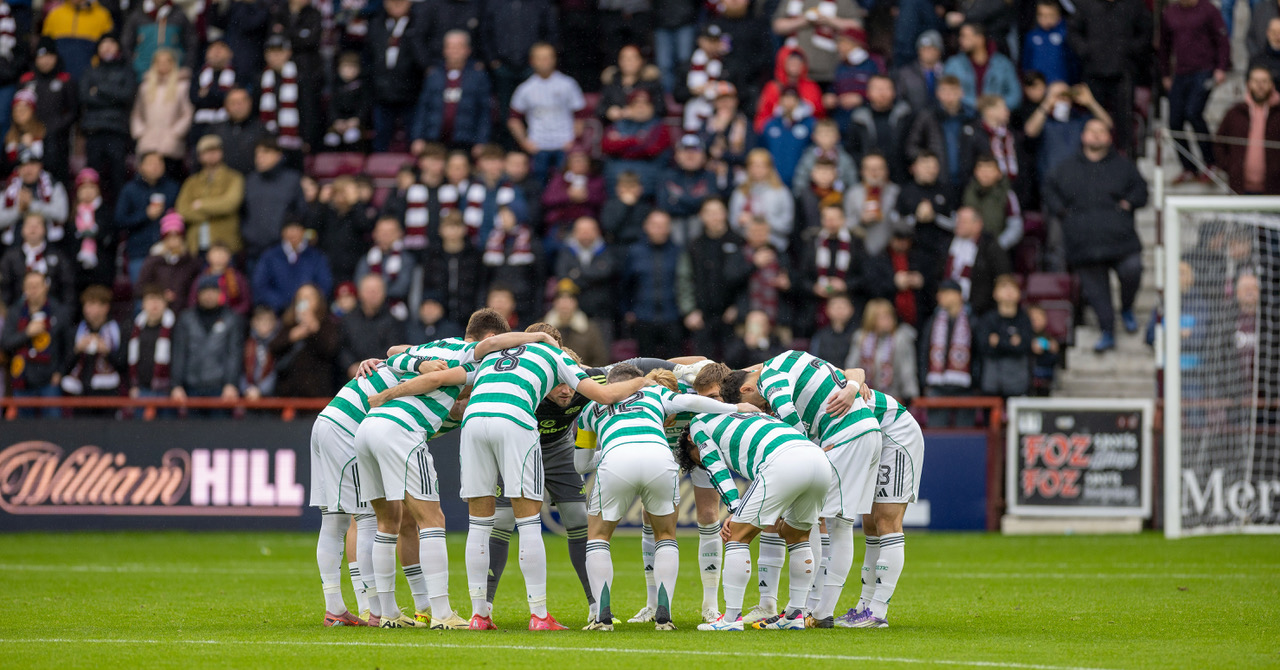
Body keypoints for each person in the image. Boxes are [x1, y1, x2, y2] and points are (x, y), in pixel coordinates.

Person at [575, 364, 748, 631]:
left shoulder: (590, 408)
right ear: (638, 381)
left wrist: (613, 447)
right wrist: (737, 408)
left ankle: (602, 617)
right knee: (666, 535)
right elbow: (690, 401)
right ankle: (664, 617)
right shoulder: (653, 391)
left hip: (616, 459)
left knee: (598, 536)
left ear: (610, 384)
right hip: (659, 456)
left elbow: (581, 464)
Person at [719, 352, 881, 628]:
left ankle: (808, 611)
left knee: (818, 522)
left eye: (754, 406)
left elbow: (788, 418)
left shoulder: (770, 378)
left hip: (846, 435)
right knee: (833, 522)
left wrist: (803, 452)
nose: (762, 410)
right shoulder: (789, 358)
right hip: (866, 430)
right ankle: (810, 610)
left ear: (746, 389)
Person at [679, 410, 830, 631]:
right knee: (797, 535)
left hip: (783, 459)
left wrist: (734, 509)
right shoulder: (744, 416)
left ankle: (731, 619)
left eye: (697, 457)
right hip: (818, 458)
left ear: (690, 440)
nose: (702, 462)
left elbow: (716, 468)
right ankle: (795, 615)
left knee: (736, 535)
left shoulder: (698, 424)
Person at [1044, 119, 1148, 352]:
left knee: (1133, 270)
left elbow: (1141, 191)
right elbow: (1049, 190)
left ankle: (1127, 308)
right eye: (1092, 131)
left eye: (1102, 131)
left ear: (1109, 138)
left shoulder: (1124, 166)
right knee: (1097, 293)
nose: (1097, 135)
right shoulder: (1065, 168)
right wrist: (1062, 213)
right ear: (1083, 136)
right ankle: (1107, 331)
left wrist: (1129, 203)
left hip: (1121, 241)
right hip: (1084, 244)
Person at [1160, 0, 1231, 184]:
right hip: (1180, 73)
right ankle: (1188, 167)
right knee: (1174, 121)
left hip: (1204, 70)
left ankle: (1211, 163)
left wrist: (1221, 67)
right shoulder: (1169, 12)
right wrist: (1165, 73)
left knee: (1193, 112)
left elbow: (1222, 40)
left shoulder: (1209, 9)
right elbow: (1164, 45)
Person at [1068, 0, 1150, 156]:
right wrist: (1086, 50)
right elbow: (1073, 31)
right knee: (1093, 118)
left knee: (1125, 120)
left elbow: (1146, 31)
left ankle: (1127, 158)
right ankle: (1093, 159)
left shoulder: (1133, 4)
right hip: (1093, 71)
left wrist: (1129, 51)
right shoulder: (1087, 4)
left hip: (1123, 72)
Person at [509, 43, 585, 184]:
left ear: (554, 59)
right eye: (540, 58)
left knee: (564, 184)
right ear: (532, 61)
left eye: (547, 57)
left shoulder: (568, 84)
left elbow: (580, 114)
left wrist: (574, 139)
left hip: (564, 144)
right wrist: (524, 142)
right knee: (538, 186)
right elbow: (514, 118)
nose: (544, 62)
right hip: (538, 145)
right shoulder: (525, 88)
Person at [684, 198, 750, 359]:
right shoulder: (695, 245)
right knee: (702, 365)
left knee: (733, 364)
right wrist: (690, 310)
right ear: (701, 216)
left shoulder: (739, 242)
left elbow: (748, 279)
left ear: (725, 214)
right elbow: (685, 279)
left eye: (718, 212)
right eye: (709, 212)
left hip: (731, 315)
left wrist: (738, 306)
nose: (714, 217)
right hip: (702, 315)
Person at [410, 30, 492, 153]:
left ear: (468, 50)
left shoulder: (478, 76)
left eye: (459, 47)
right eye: (451, 47)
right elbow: (423, 108)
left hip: (465, 141)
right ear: (444, 50)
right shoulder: (434, 75)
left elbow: (484, 112)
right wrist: (417, 137)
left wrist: (481, 141)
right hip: (434, 138)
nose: (455, 51)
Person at [2, 271, 71, 415]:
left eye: (37, 286)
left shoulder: (59, 311)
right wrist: (27, 333)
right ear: (23, 289)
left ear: (46, 287)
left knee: (53, 425)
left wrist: (60, 372)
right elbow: (6, 343)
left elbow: (68, 347)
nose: (33, 290)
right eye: (29, 286)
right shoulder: (15, 312)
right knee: (24, 426)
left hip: (49, 380)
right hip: (23, 379)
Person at [623, 210, 689, 359]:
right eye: (655, 225)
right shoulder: (635, 252)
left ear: (669, 228)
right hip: (643, 316)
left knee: (675, 362)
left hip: (673, 315)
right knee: (645, 363)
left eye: (663, 225)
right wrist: (628, 310)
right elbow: (626, 284)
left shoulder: (678, 251)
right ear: (646, 226)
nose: (659, 229)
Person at [79, 34, 136, 204]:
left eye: (111, 43)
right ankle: (90, 215)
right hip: (93, 131)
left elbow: (126, 96)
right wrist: (113, 95)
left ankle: (117, 216)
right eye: (103, 44)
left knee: (117, 177)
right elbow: (84, 97)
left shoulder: (126, 71)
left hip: (117, 131)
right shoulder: (90, 71)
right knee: (92, 178)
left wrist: (98, 90)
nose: (107, 47)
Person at [170, 274, 243, 405]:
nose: (209, 295)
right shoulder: (186, 319)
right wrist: (176, 384)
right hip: (191, 387)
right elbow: (179, 353)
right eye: (205, 291)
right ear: (198, 294)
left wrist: (231, 383)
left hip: (220, 388)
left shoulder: (231, 319)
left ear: (220, 294)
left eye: (213, 291)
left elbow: (234, 354)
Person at [365, 0, 426, 152]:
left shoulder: (419, 22)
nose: (396, 4)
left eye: (401, 1)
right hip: (382, 92)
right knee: (381, 137)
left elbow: (423, 58)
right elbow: (368, 56)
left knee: (413, 137)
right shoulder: (376, 23)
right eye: (392, 1)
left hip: (411, 91)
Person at [114, 151, 178, 283]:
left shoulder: (172, 187)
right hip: (139, 253)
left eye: (159, 163)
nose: (156, 167)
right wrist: (145, 215)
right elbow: (120, 221)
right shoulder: (129, 189)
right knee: (141, 292)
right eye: (151, 163)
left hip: (167, 253)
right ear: (140, 166)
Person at [918, 279, 976, 426]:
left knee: (965, 434)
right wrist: (925, 381)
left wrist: (975, 383)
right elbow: (924, 353)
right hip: (937, 386)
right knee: (937, 433)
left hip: (966, 388)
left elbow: (978, 354)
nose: (940, 297)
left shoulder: (972, 321)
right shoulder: (932, 322)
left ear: (958, 295)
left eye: (945, 293)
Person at [241, 136, 307, 264]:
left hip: (283, 250)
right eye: (257, 154)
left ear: (278, 155)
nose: (259, 157)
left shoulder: (292, 180)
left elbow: (300, 211)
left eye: (265, 152)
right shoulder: (250, 180)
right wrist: (247, 234)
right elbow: (243, 213)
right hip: (254, 250)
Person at [176, 135, 245, 254]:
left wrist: (201, 205)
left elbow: (230, 204)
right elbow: (182, 210)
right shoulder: (192, 182)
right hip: (196, 245)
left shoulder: (234, 178)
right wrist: (214, 213)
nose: (211, 155)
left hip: (225, 246)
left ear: (222, 152)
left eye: (215, 150)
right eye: (207, 152)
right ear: (200, 156)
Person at [1216, 66, 1280, 195]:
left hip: (1274, 191)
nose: (1260, 86)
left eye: (1264, 81)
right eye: (1256, 81)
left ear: (1271, 85)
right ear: (1248, 84)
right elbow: (1219, 143)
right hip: (1239, 189)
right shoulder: (1235, 113)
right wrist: (1231, 167)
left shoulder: (1278, 114)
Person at [21, 38, 77, 184]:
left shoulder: (65, 80)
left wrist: (56, 126)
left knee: (58, 178)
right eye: (41, 56)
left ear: (56, 57)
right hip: (31, 137)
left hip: (58, 139)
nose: (45, 61)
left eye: (49, 56)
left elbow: (73, 111)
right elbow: (18, 109)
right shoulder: (26, 81)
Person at [553, 216, 617, 342]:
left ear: (597, 232)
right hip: (574, 313)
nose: (585, 234)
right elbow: (563, 275)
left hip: (602, 312)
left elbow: (606, 273)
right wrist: (594, 277)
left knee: (602, 351)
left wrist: (577, 274)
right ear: (574, 232)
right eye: (582, 231)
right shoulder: (566, 251)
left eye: (589, 230)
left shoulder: (608, 250)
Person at [270, 283, 339, 397]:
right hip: (289, 391)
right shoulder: (289, 323)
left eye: (309, 297)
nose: (305, 301)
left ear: (318, 301)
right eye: (301, 297)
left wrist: (315, 329)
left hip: (317, 391)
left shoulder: (327, 324)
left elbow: (331, 350)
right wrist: (292, 336)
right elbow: (273, 348)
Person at [480, 200, 543, 323]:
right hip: (495, 307)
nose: (503, 218)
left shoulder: (531, 243)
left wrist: (536, 310)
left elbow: (538, 280)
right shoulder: (493, 241)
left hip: (524, 308)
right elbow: (484, 279)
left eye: (507, 214)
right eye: (501, 215)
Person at [253, 219, 334, 313]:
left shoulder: (316, 256)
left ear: (303, 231)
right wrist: (283, 305)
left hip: (309, 311)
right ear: (283, 232)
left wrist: (306, 304)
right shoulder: (270, 256)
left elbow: (324, 285)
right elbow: (260, 285)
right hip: (277, 312)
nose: (293, 233)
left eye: (297, 229)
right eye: (289, 229)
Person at [600, 89, 672, 193]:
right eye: (636, 105)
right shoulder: (618, 124)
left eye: (645, 105)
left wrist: (621, 143)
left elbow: (650, 150)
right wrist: (635, 140)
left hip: (647, 176)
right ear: (628, 107)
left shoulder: (660, 126)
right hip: (617, 177)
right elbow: (606, 146)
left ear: (652, 107)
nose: (640, 108)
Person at [60, 284, 124, 401]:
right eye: (86, 304)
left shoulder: (117, 331)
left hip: (108, 395)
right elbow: (64, 367)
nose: (87, 309)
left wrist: (107, 352)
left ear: (105, 307)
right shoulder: (76, 331)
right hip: (80, 394)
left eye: (92, 304)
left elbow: (123, 366)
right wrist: (77, 350)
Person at [942, 206, 1009, 317]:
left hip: (978, 310)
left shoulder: (990, 247)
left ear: (978, 224)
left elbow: (1002, 277)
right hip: (946, 304)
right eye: (957, 220)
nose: (958, 224)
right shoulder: (947, 243)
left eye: (963, 221)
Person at [845, 75, 914, 182]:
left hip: (902, 177)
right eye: (877, 89)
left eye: (886, 88)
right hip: (868, 179)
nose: (882, 93)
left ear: (894, 92)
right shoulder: (859, 118)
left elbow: (912, 145)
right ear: (868, 92)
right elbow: (852, 149)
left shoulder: (905, 116)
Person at [850, 297, 919, 402]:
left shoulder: (900, 338)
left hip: (894, 397)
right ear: (872, 319)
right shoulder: (860, 338)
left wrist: (910, 393)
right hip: (865, 397)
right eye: (882, 317)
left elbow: (907, 369)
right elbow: (852, 366)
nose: (887, 320)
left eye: (889, 316)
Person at [0, 213, 75, 306]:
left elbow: (67, 286)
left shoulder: (58, 256)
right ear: (22, 230)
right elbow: (4, 287)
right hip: (19, 309)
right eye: (29, 225)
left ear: (45, 229)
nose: (33, 229)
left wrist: (65, 311)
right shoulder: (10, 257)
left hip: (52, 308)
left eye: (37, 225)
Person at [0, 149, 69, 251]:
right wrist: (18, 210)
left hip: (49, 247)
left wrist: (31, 204)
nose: (28, 170)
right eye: (24, 166)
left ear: (40, 166)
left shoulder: (53, 185)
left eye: (32, 165)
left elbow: (62, 214)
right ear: (18, 169)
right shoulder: (8, 187)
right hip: (14, 248)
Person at [657, 135, 719, 245]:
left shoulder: (710, 176)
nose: (690, 155)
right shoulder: (667, 176)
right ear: (676, 155)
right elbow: (665, 206)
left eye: (696, 150)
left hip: (702, 229)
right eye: (685, 150)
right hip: (674, 226)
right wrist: (696, 202)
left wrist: (678, 199)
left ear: (704, 156)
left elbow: (710, 205)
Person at [729, 149, 795, 251]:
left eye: (761, 165)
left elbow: (787, 225)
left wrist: (760, 220)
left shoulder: (781, 192)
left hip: (775, 246)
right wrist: (741, 221)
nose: (757, 169)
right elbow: (733, 222)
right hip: (746, 247)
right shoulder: (740, 192)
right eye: (754, 165)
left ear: (769, 168)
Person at [943, 22, 1020, 111]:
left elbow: (1016, 95)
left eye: (965, 36)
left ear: (980, 39)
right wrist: (979, 105)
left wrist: (994, 107)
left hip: (997, 116)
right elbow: (947, 92)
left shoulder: (1002, 63)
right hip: (964, 115)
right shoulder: (953, 64)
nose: (960, 40)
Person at [424, 210, 482, 324]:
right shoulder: (433, 257)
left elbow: (480, 287)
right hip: (440, 319)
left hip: (470, 317)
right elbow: (427, 287)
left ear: (464, 229)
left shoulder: (474, 257)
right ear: (441, 229)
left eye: (457, 226)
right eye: (448, 226)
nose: (453, 230)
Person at [312, 176, 371, 284]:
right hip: (328, 267)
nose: (341, 197)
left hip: (352, 269)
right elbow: (312, 226)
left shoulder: (358, 212)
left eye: (345, 193)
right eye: (338, 192)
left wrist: (356, 202)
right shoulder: (327, 212)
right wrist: (321, 203)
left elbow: (364, 226)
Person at [542, 150, 607, 246]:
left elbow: (602, 200)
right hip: (561, 222)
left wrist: (586, 196)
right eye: (576, 161)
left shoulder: (595, 180)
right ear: (568, 164)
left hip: (586, 222)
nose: (579, 164)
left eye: (582, 161)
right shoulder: (559, 179)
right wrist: (568, 195)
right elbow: (547, 199)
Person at [753, 47, 824, 134]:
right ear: (783, 63)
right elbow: (762, 116)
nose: (794, 65)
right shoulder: (773, 87)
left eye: (798, 62)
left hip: (805, 133)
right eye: (791, 61)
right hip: (778, 133)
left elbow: (820, 114)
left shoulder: (812, 87)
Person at [137, 212, 200, 308]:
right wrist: (161, 294)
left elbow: (193, 290)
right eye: (169, 236)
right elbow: (140, 288)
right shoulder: (154, 261)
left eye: (176, 235)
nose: (173, 240)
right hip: (158, 309)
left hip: (183, 309)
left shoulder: (190, 262)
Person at [962, 153, 1023, 252]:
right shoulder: (968, 192)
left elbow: (1016, 228)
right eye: (981, 169)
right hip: (970, 248)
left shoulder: (1007, 194)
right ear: (975, 172)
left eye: (989, 169)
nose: (985, 174)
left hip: (998, 249)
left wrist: (997, 246)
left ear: (999, 173)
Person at [355, 216, 416, 317]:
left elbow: (401, 288)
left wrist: (375, 293)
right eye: (382, 232)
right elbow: (359, 284)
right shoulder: (366, 259)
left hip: (395, 310)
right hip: (367, 310)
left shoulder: (406, 259)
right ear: (374, 234)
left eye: (390, 232)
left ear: (400, 234)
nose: (385, 236)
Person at [190, 40, 245, 148]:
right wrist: (221, 94)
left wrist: (208, 93)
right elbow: (194, 98)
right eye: (213, 48)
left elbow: (231, 99)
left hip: (227, 125)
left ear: (230, 53)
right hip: (201, 126)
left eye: (221, 48)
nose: (216, 52)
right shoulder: (198, 74)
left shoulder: (238, 73)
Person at [121, 0, 197, 77]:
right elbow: (127, 43)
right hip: (143, 74)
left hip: (175, 75)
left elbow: (191, 42)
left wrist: (187, 66)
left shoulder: (179, 15)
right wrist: (136, 67)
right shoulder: (137, 15)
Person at [127, 284, 177, 401]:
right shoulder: (134, 329)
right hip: (140, 390)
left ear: (165, 303)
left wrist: (175, 386)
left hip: (167, 391)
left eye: (158, 299)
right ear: (143, 304)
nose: (154, 304)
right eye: (150, 299)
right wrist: (132, 386)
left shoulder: (174, 328)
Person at [844, 152, 900, 256]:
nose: (874, 173)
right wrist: (861, 219)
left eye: (878, 168)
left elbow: (902, 222)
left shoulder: (895, 193)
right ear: (862, 171)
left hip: (889, 252)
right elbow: (845, 223)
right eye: (869, 169)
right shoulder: (852, 194)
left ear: (886, 171)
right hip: (859, 251)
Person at [41, 0, 114, 79]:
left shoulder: (102, 16)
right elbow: (46, 46)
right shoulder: (55, 15)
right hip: (60, 79)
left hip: (89, 76)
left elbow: (108, 47)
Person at [759, 86, 815, 186]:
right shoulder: (770, 124)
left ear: (798, 101)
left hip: (801, 182)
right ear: (780, 101)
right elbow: (762, 151)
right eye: (786, 98)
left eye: (792, 98)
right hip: (774, 182)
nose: (789, 102)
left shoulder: (810, 124)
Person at [543, 281, 608, 366]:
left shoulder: (590, 329)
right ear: (554, 302)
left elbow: (600, 359)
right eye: (561, 298)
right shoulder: (542, 329)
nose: (565, 303)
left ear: (576, 302)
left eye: (569, 299)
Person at [598, 44, 666, 125]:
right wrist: (609, 112)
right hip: (618, 128)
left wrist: (648, 111)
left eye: (633, 58)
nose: (628, 62)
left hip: (646, 128)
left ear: (641, 60)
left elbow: (661, 108)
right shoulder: (612, 82)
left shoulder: (650, 82)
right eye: (624, 58)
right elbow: (600, 109)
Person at [323, 52, 371, 152]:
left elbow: (364, 106)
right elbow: (332, 106)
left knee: (352, 136)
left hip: (356, 123)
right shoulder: (335, 85)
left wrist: (357, 119)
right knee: (331, 139)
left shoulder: (363, 86)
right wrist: (336, 121)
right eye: (346, 67)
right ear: (339, 69)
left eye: (352, 67)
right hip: (338, 123)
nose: (349, 71)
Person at [211, 87, 265, 176]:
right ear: (226, 105)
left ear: (250, 103)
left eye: (242, 102)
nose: (238, 106)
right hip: (222, 181)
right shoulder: (215, 130)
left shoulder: (262, 130)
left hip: (253, 180)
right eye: (233, 102)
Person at [187, 242, 251, 316]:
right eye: (216, 253)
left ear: (229, 256)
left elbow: (246, 302)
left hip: (231, 317)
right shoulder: (201, 278)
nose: (219, 256)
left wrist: (232, 316)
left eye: (223, 253)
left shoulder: (238, 277)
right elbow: (192, 302)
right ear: (208, 256)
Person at [1022, 0, 1076, 86]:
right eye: (1042, 15)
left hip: (1061, 84)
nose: (1046, 19)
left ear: (1058, 16)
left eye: (1050, 15)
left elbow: (1072, 62)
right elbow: (1026, 62)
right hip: (1038, 86)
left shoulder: (1065, 34)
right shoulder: (1031, 36)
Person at [893, 29, 945, 113]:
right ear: (918, 51)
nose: (928, 52)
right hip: (913, 117)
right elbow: (899, 99)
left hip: (942, 117)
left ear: (939, 51)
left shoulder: (947, 71)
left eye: (932, 48)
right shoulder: (905, 73)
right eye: (924, 49)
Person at [599, 170, 652, 245]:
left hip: (640, 244)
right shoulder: (610, 205)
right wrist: (624, 206)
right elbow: (609, 227)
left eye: (632, 186)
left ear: (640, 189)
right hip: (616, 244)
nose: (628, 190)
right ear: (617, 189)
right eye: (624, 186)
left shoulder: (645, 207)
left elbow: (645, 230)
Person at [809, 292, 856, 366]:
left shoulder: (858, 335)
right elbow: (814, 361)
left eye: (843, 307)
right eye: (836, 307)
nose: (839, 310)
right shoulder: (820, 336)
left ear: (851, 310)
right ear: (827, 310)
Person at [242, 304, 278, 398]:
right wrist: (247, 389)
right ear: (253, 322)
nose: (264, 324)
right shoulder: (247, 343)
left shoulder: (278, 344)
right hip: (249, 395)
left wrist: (260, 390)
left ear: (274, 323)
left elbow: (276, 372)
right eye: (260, 320)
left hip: (271, 396)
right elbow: (241, 371)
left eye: (268, 320)